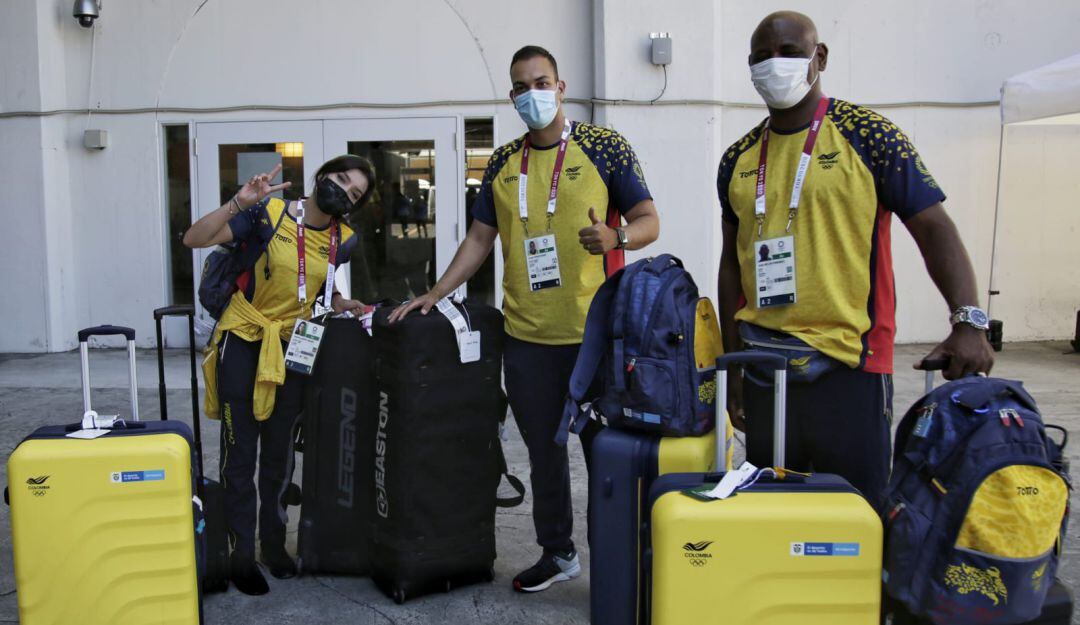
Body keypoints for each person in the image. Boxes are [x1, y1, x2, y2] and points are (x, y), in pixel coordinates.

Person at [389, 45, 659, 593]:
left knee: (603, 455)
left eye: (541, 82)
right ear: (512, 96)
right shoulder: (502, 162)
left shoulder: (603, 147)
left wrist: (617, 237)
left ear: (560, 87)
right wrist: (436, 293)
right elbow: (479, 239)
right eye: (520, 86)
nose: (531, 93)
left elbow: (649, 220)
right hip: (527, 338)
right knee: (543, 453)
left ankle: (615, 567)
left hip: (595, 337)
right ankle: (558, 553)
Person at [717, 11, 994, 513]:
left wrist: (969, 321)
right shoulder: (737, 158)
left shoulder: (869, 136)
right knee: (773, 517)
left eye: (789, 52)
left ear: (819, 57)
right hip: (763, 369)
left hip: (849, 364)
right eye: (762, 57)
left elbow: (933, 227)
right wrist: (733, 369)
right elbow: (732, 265)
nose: (774, 64)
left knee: (855, 519)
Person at [183, 156, 373, 595]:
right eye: (340, 178)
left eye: (354, 193)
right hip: (244, 338)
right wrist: (238, 202)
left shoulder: (344, 239)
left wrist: (339, 301)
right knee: (240, 454)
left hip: (294, 347)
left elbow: (316, 282)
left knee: (280, 455)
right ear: (322, 175)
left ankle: (272, 546)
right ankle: (239, 555)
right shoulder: (266, 213)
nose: (343, 191)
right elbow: (193, 238)